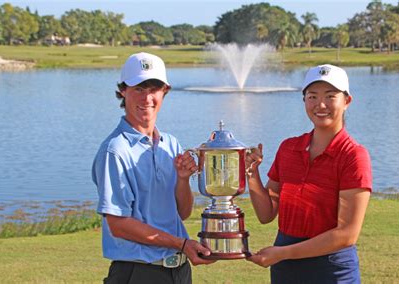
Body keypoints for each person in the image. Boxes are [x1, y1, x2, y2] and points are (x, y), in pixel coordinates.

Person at [92, 52, 214, 284]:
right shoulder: (115, 150)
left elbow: (182, 213)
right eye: (138, 88)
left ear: (165, 91)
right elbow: (119, 225)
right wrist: (182, 243)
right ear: (122, 91)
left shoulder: (170, 144)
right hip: (138, 273)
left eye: (154, 88)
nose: (147, 97)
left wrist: (182, 180)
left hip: (178, 271)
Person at [245, 64, 372, 283]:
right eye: (312, 96)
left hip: (331, 270)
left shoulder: (353, 156)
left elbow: (347, 234)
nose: (320, 105)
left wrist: (283, 252)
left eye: (330, 96)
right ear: (304, 100)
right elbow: (266, 214)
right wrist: (252, 174)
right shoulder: (288, 148)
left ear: (347, 101)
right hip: (286, 269)